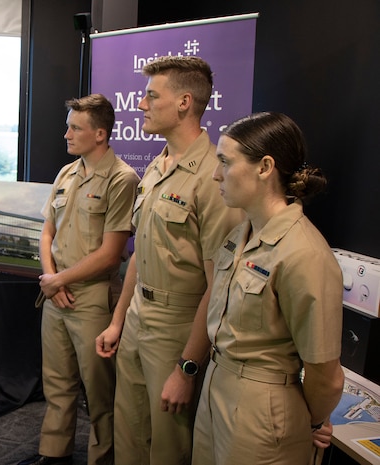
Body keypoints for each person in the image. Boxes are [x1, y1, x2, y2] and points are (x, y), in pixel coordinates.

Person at [95, 56, 244, 464]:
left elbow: (219, 287)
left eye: (150, 96)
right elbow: (140, 255)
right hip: (138, 318)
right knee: (128, 437)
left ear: (183, 102)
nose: (141, 105)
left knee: (167, 447)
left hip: (178, 330)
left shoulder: (214, 178)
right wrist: (118, 319)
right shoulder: (158, 167)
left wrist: (187, 367)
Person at [191, 111, 344, 465]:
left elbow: (326, 376)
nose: (216, 174)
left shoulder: (304, 253)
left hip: (262, 409)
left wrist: (314, 419)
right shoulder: (240, 234)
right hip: (217, 387)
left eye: (225, 162)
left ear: (264, 167)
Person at [17, 94, 139, 465]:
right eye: (68, 125)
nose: (66, 134)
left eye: (75, 127)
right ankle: (53, 454)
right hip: (57, 295)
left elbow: (110, 254)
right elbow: (46, 233)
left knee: (101, 393)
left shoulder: (123, 179)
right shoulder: (66, 173)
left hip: (92, 299)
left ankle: (101, 459)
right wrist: (52, 279)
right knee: (57, 383)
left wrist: (58, 281)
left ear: (100, 134)